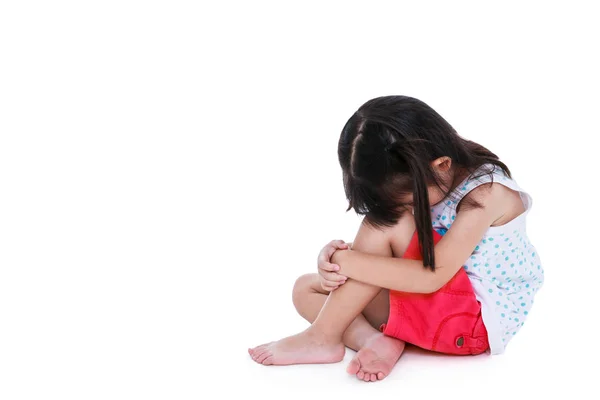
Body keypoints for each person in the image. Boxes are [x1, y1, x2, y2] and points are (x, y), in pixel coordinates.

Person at [248, 95, 544, 382]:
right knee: (305, 288)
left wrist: (348, 261)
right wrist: (341, 260)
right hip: (441, 301)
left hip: (471, 324)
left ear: (441, 165)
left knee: (384, 224)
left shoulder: (486, 193)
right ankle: (376, 340)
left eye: (405, 200)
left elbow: (432, 276)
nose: (406, 209)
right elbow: (402, 256)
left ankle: (322, 337)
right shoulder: (436, 170)